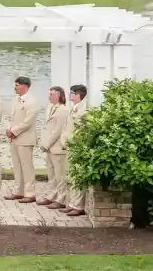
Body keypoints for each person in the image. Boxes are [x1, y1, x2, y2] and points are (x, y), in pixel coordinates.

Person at [6, 76, 39, 203]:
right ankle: (18, 191)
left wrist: (14, 131)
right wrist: (8, 129)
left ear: (25, 86)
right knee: (17, 166)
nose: (15, 87)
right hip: (14, 138)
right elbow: (10, 117)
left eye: (17, 85)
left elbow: (28, 121)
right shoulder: (15, 100)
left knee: (27, 167)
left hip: (25, 138)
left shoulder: (32, 101)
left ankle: (30, 193)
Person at [38, 86, 69, 209]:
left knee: (60, 175)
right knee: (51, 174)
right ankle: (51, 196)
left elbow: (58, 130)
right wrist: (43, 142)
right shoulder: (50, 107)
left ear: (58, 95)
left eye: (51, 94)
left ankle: (61, 199)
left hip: (57, 147)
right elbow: (47, 127)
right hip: (49, 147)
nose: (49, 96)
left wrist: (47, 144)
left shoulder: (64, 110)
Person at [61, 84, 88, 217]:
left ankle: (78, 206)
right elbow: (67, 127)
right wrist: (64, 141)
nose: (70, 95)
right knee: (70, 176)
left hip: (77, 147)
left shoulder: (85, 110)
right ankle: (72, 203)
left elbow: (82, 130)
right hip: (69, 146)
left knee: (77, 176)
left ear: (78, 95)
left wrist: (72, 141)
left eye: (72, 93)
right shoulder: (73, 108)